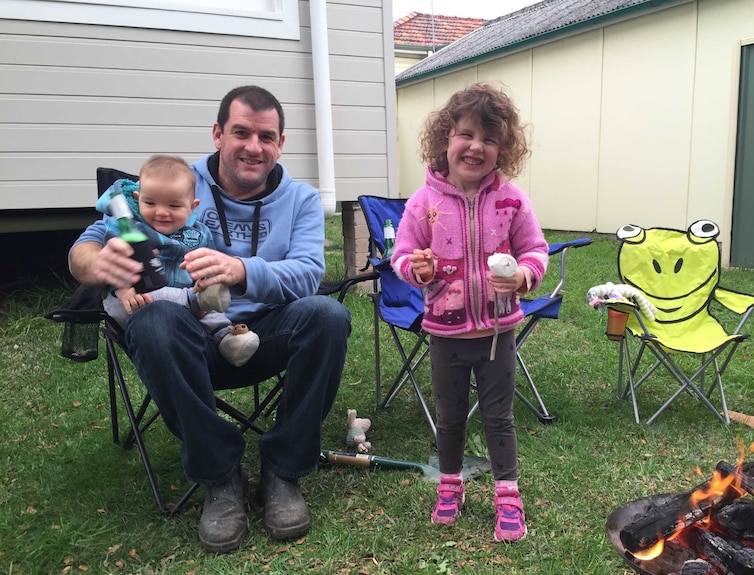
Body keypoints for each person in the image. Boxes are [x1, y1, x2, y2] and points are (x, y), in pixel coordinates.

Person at [69, 86, 352, 553]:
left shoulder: (301, 199)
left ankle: (283, 471)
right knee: (155, 321)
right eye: (240, 132)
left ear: (281, 144)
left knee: (327, 314)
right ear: (219, 133)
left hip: (262, 334)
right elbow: (88, 243)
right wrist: (94, 264)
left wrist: (241, 271)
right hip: (187, 340)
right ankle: (220, 476)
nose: (253, 147)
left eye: (266, 136)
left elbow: (308, 274)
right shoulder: (178, 182)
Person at [390, 83, 549, 542]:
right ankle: (450, 484)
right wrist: (416, 269)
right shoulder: (423, 202)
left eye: (490, 138)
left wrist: (522, 276)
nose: (476, 146)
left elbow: (535, 249)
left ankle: (508, 494)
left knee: (499, 416)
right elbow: (402, 255)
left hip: (498, 332)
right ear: (445, 138)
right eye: (465, 134)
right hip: (446, 333)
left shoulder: (513, 200)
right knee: (450, 415)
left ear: (504, 149)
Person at [97, 154, 260, 367]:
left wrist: (205, 281)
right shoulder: (129, 227)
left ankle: (225, 338)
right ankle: (196, 302)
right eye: (150, 203)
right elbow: (112, 263)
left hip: (186, 308)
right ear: (137, 198)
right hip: (135, 299)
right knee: (169, 302)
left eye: (174, 206)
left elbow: (207, 267)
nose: (161, 212)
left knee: (209, 306)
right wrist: (121, 288)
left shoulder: (200, 233)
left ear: (192, 206)